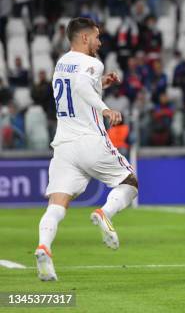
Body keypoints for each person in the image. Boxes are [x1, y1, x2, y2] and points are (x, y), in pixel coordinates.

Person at [35, 17, 139, 281]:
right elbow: (81, 86)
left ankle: (44, 247)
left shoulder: (61, 62)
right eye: (96, 37)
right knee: (130, 182)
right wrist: (104, 108)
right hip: (89, 140)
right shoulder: (92, 62)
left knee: (57, 205)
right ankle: (105, 212)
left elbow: (74, 87)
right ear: (84, 38)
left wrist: (100, 83)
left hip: (63, 145)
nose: (99, 42)